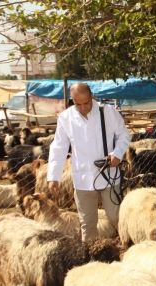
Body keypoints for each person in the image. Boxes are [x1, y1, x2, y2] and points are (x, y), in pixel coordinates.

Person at [47, 83, 131, 241]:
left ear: (91, 95)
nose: (83, 107)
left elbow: (124, 135)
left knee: (116, 217)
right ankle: (92, 257)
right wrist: (53, 177)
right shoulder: (66, 118)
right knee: (87, 223)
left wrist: (117, 154)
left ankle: (129, 246)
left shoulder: (107, 111)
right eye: (78, 104)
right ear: (72, 100)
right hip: (83, 179)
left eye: (86, 102)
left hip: (109, 175)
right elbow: (59, 147)